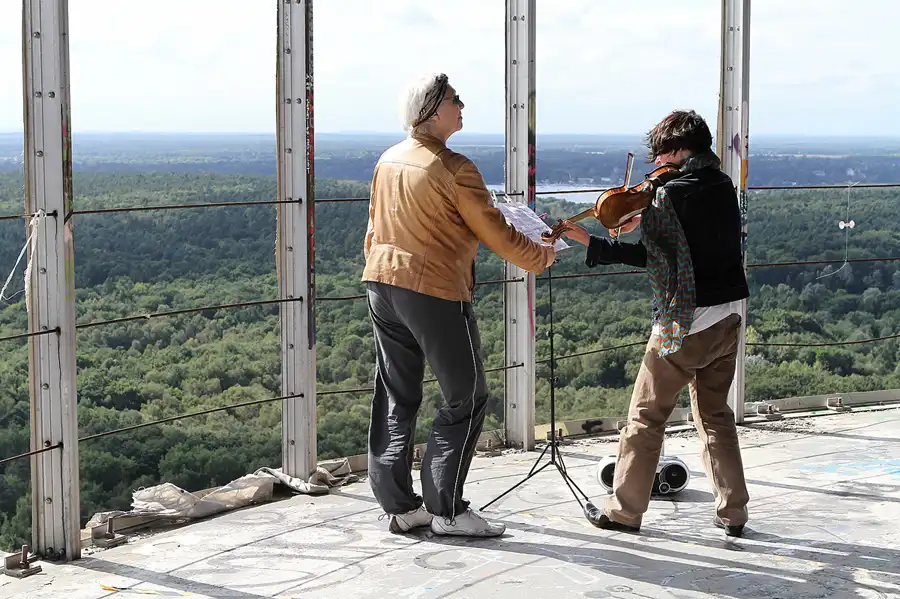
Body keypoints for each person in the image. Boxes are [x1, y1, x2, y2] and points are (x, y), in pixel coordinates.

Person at [362, 72, 556, 537]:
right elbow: (496, 232)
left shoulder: (389, 158)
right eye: (454, 99)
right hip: (433, 290)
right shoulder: (453, 168)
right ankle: (446, 510)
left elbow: (373, 224)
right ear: (432, 111)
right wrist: (541, 255)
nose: (462, 105)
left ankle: (401, 507)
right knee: (466, 395)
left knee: (396, 392)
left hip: (381, 282)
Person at [558, 110, 751, 537]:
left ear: (679, 150)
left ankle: (624, 512)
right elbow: (690, 244)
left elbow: (655, 261)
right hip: (728, 317)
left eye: (662, 154)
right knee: (716, 417)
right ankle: (733, 511)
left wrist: (593, 242)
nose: (656, 163)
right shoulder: (722, 185)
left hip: (685, 323)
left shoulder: (669, 195)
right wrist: (647, 217)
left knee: (645, 418)